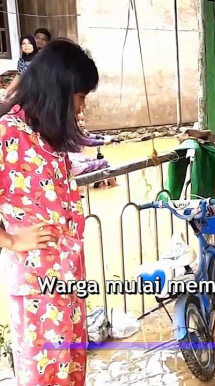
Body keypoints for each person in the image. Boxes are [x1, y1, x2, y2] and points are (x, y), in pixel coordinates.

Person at [0, 38, 98, 386]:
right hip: (36, 287)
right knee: (44, 378)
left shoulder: (46, 134)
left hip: (69, 280)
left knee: (72, 372)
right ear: (60, 89)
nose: (82, 107)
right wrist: (10, 240)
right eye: (81, 96)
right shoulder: (6, 133)